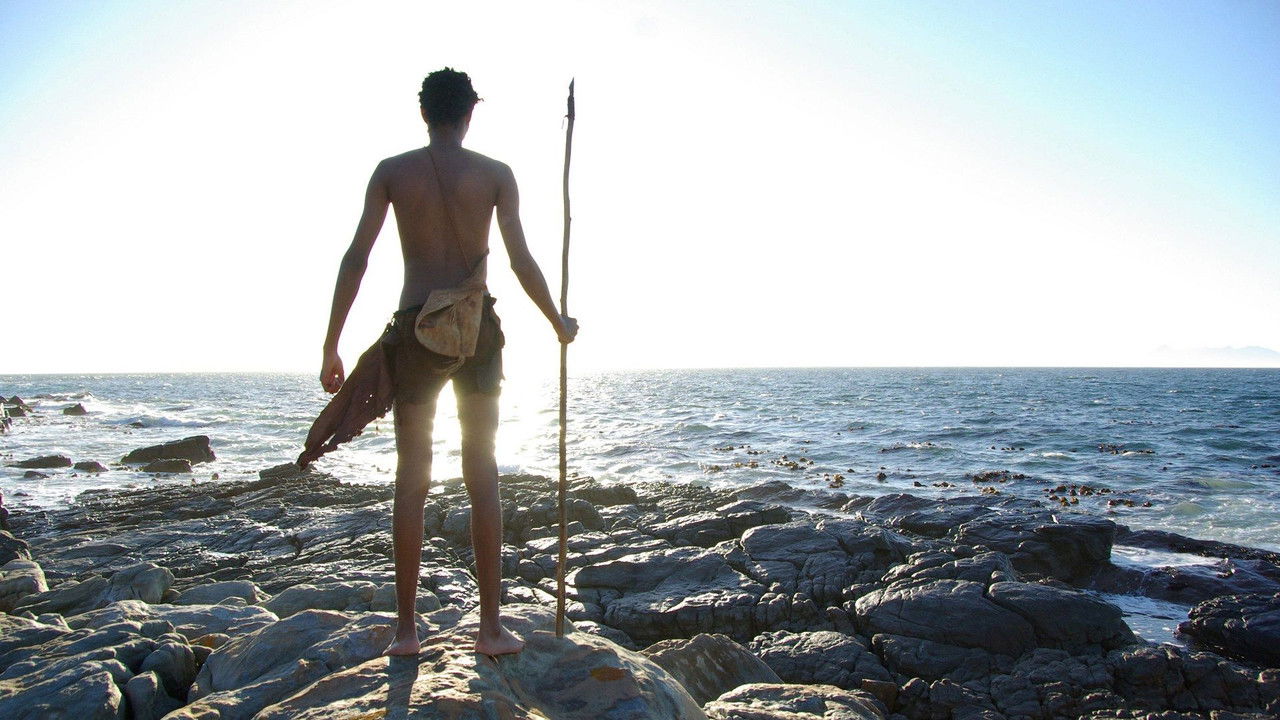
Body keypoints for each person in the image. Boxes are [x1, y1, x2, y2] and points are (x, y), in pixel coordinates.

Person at [318, 68, 578, 658]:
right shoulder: (495, 175)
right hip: (476, 330)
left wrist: (332, 343)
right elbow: (521, 259)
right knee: (481, 470)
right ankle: (490, 629)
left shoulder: (392, 172)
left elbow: (356, 258)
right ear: (469, 113)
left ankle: (407, 632)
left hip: (416, 332)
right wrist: (556, 321)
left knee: (412, 477)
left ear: (424, 113)